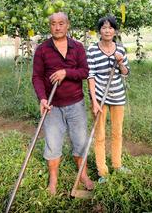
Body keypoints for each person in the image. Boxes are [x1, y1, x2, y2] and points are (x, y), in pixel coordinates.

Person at [32, 11, 95, 195]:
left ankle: (82, 174)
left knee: (80, 141)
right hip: (52, 106)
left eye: (61, 23)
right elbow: (36, 77)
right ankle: (53, 180)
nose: (57, 27)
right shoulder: (43, 49)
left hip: (76, 103)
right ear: (49, 26)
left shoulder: (77, 47)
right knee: (52, 143)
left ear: (68, 25)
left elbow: (84, 72)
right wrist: (42, 98)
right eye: (53, 23)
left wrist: (66, 72)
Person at [87, 15, 130, 182]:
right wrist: (94, 101)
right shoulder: (92, 50)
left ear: (115, 30)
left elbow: (126, 73)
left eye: (110, 27)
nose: (107, 30)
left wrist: (120, 62)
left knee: (117, 132)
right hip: (100, 97)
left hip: (117, 96)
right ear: (99, 31)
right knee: (100, 134)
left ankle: (117, 165)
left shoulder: (120, 49)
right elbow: (90, 76)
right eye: (104, 28)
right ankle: (102, 170)